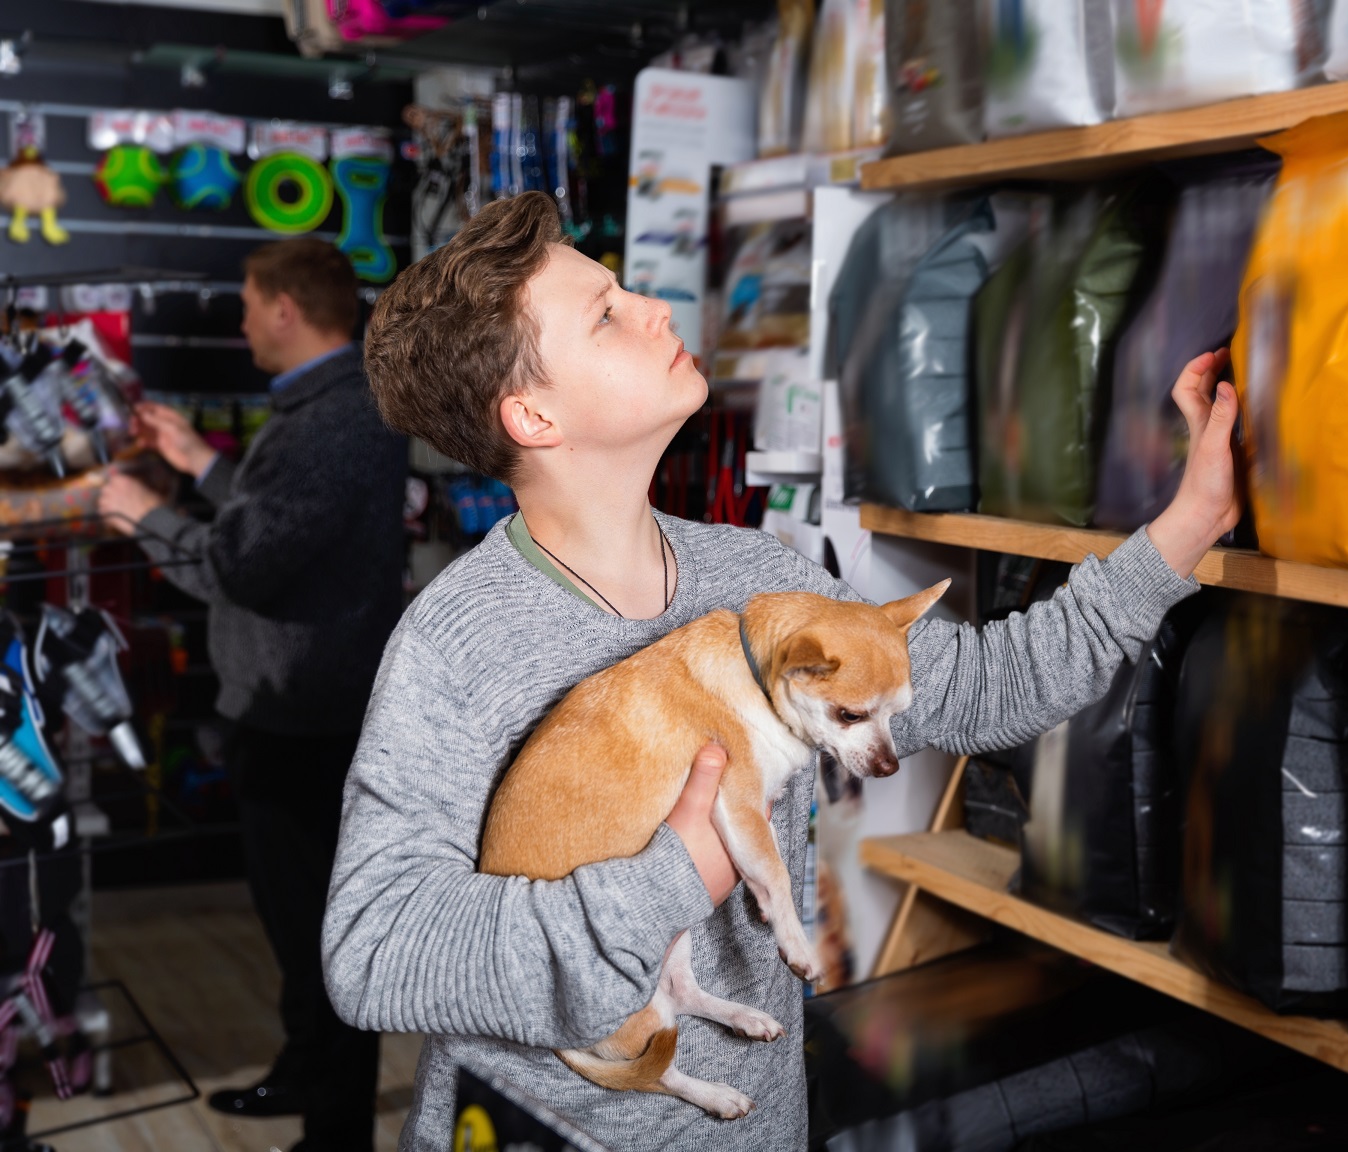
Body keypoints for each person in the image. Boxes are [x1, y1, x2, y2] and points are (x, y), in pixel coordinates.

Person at [326, 191, 1239, 1151]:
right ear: (533, 414)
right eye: (607, 314)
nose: (657, 309)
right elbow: (376, 949)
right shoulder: (458, 640)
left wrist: (1187, 527)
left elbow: (985, 686)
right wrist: (676, 875)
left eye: (629, 291)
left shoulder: (762, 580)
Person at [99, 238, 406, 1152]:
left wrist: (138, 514)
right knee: (292, 918)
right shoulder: (330, 409)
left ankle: (337, 1128)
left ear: (283, 308)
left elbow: (241, 564)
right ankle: (307, 1073)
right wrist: (198, 461)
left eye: (245, 306)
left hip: (305, 717)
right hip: (297, 708)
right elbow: (275, 524)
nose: (238, 324)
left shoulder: (330, 421)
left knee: (317, 928)